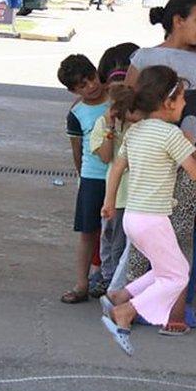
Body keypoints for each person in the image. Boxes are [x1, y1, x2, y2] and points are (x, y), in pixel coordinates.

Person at [125, 0, 196, 335]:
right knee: (147, 235)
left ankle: (178, 309)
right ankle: (138, 304)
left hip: (191, 164)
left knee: (182, 234)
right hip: (152, 164)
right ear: (178, 20)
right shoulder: (144, 57)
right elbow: (126, 106)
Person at [100, 65, 196, 356]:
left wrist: (109, 202)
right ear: (169, 102)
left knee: (165, 271)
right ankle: (126, 312)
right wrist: (191, 146)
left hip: (132, 218)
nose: (184, 104)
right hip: (154, 219)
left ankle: (120, 294)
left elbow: (117, 169)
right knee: (178, 276)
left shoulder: (135, 131)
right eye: (182, 98)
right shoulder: (171, 135)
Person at [57, 54, 110, 304]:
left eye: (91, 78)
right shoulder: (76, 113)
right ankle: (82, 283)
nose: (91, 86)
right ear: (72, 90)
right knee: (88, 232)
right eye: (82, 85)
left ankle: (116, 283)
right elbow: (77, 151)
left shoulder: (118, 98)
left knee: (119, 231)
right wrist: (82, 178)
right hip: (92, 177)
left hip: (123, 174)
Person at [90, 43, 140, 297]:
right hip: (115, 194)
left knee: (124, 242)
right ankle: (109, 278)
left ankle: (117, 284)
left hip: (135, 196)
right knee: (109, 239)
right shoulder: (103, 124)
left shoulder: (140, 125)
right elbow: (106, 156)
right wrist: (111, 128)